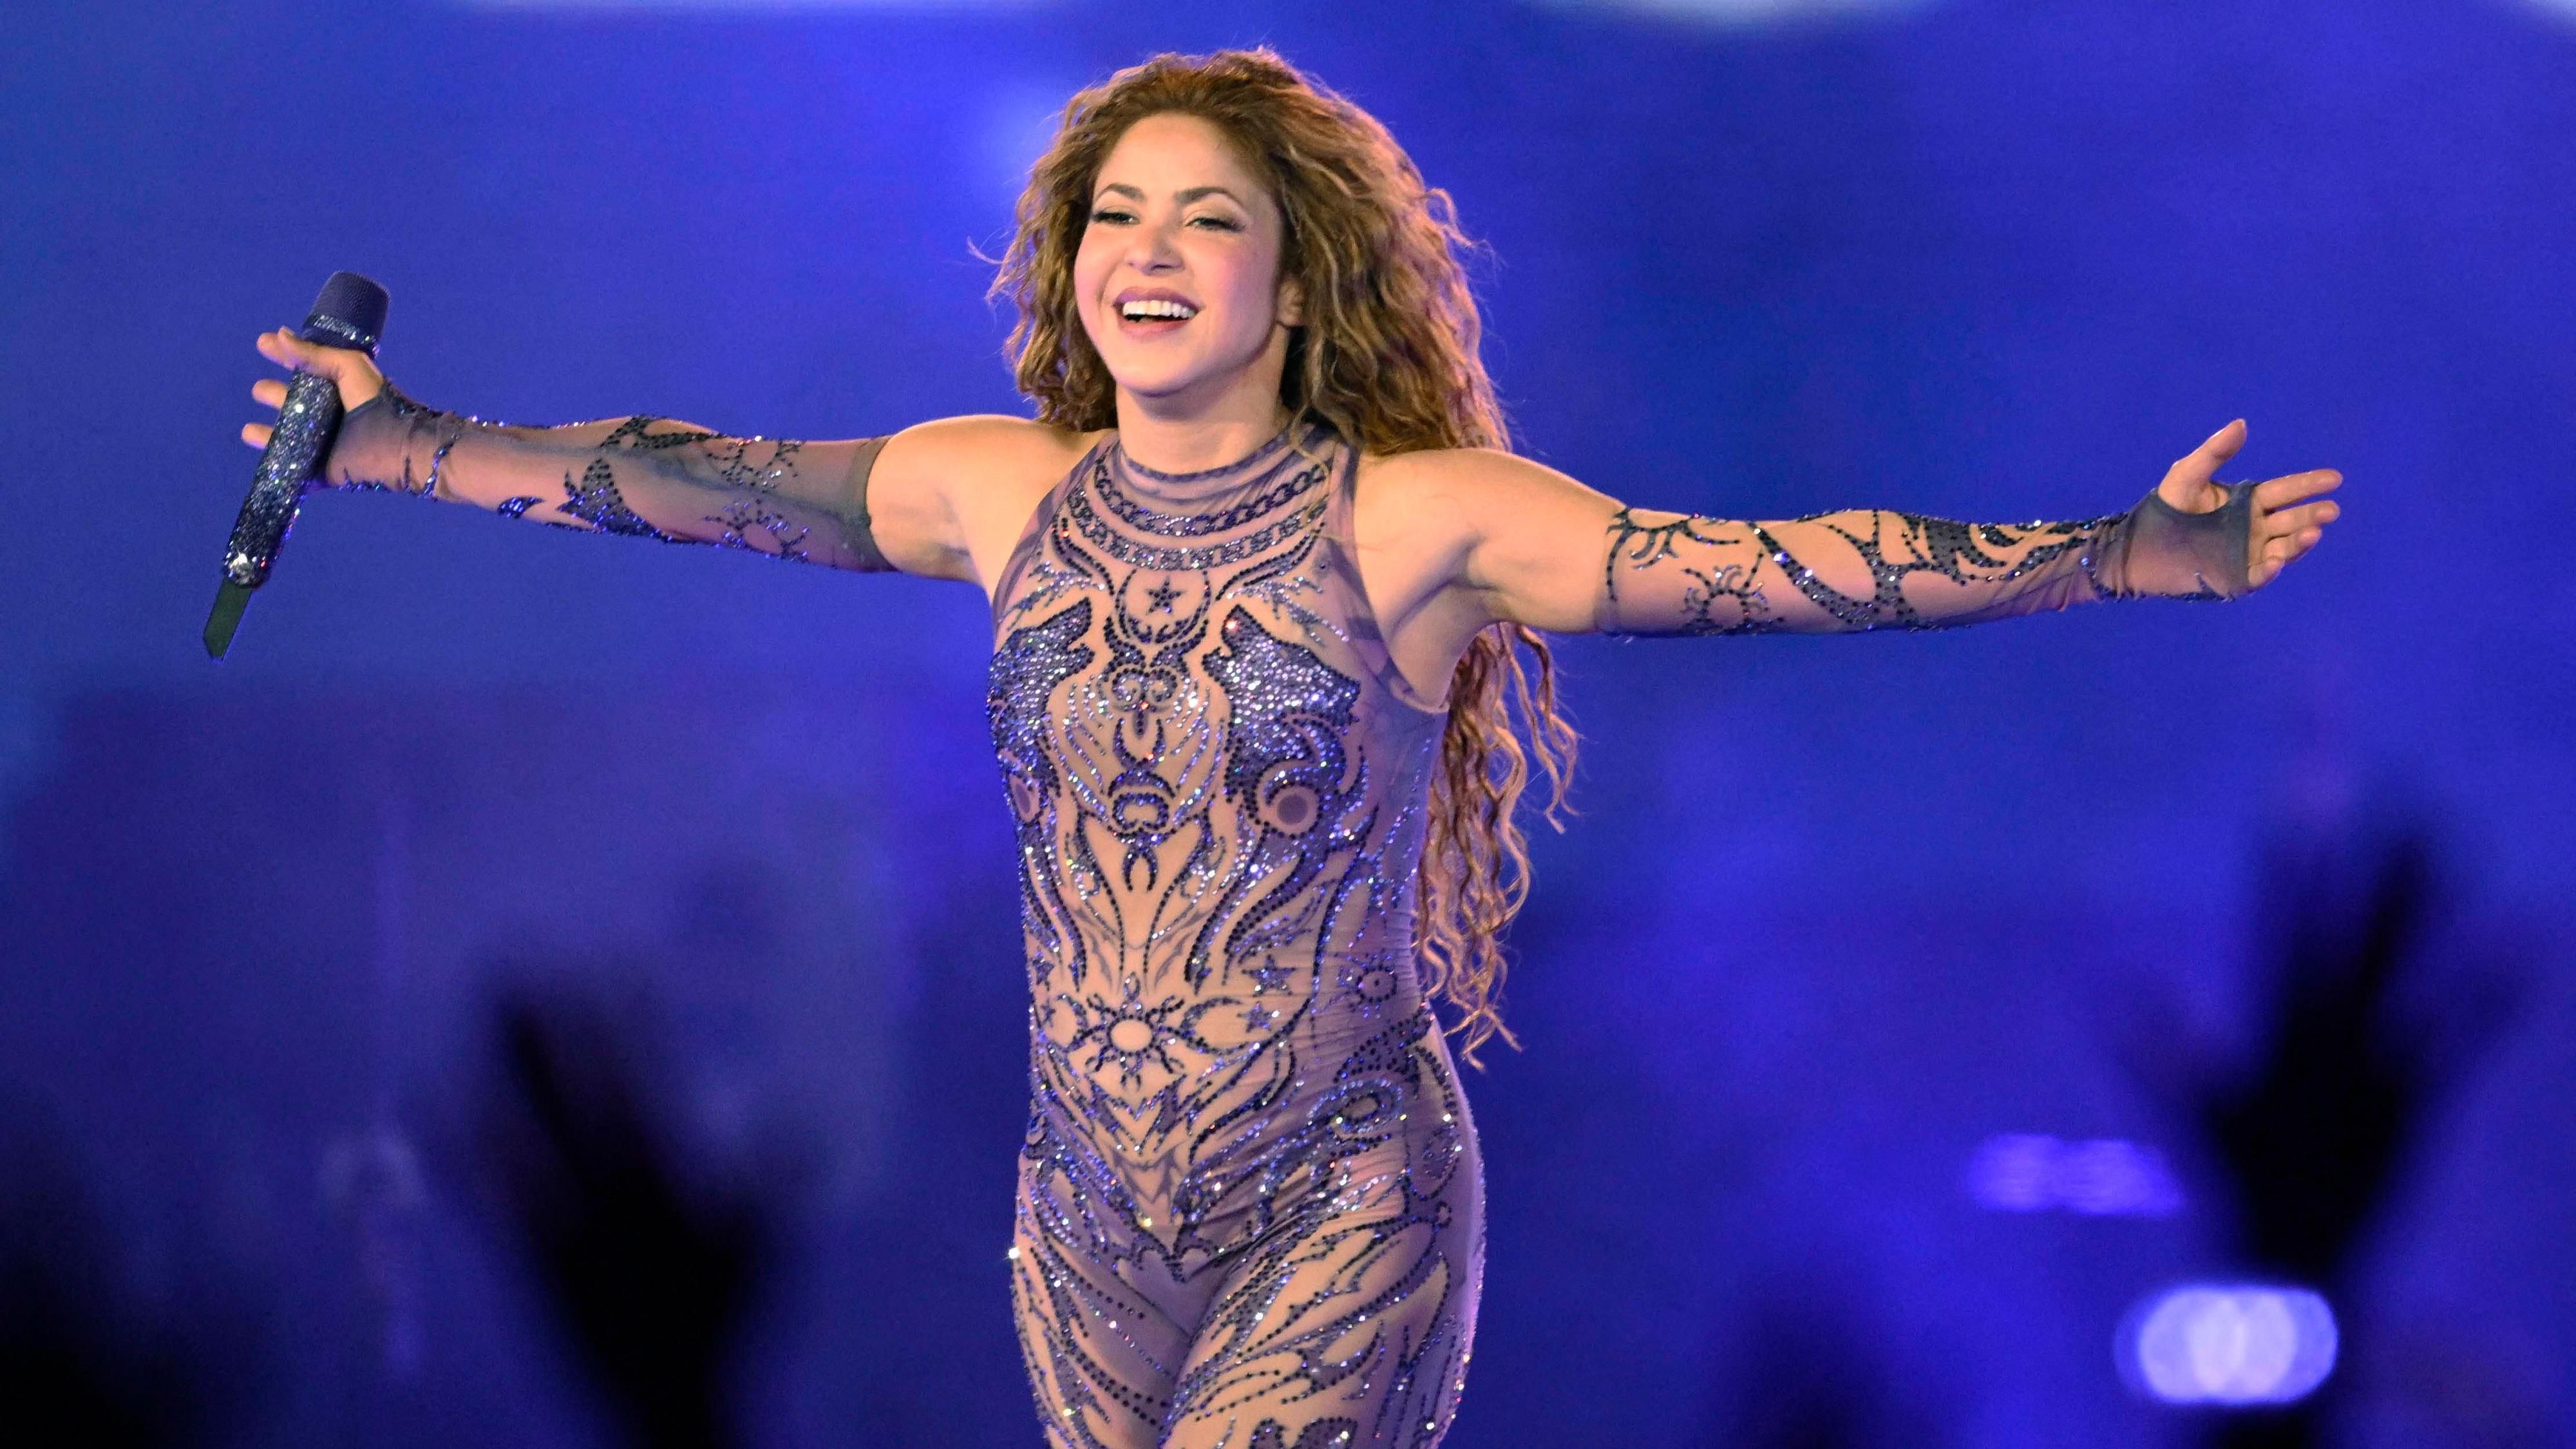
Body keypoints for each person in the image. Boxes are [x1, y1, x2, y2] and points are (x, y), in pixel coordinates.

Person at [240, 48, 2340, 1449]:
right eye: (1115, 216)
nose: (1148, 255)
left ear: (1300, 277)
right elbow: (688, 479)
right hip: (1083, 1213)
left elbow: (1773, 566)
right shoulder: (996, 487)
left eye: (1206, 219)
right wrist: (396, 440)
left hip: (1341, 1190)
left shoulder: (1418, 519)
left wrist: (2121, 553)